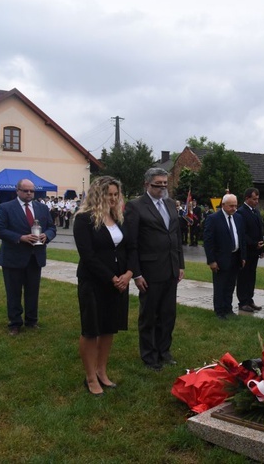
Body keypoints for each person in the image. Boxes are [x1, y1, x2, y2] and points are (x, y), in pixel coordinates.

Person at [73, 177, 132, 396]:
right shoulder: (84, 219)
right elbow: (87, 255)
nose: (114, 198)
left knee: (109, 327)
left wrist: (128, 274)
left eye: (116, 194)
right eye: (109, 194)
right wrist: (111, 277)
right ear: (99, 195)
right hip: (93, 282)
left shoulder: (119, 218)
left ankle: (101, 371)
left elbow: (128, 249)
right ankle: (90, 377)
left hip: (118, 283)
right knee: (91, 329)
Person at [124, 168, 185, 371]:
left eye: (164, 184)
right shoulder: (135, 206)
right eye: (157, 184)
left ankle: (163, 351)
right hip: (149, 271)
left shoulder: (170, 204)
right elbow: (131, 243)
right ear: (146, 184)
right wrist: (136, 273)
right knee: (149, 315)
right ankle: (149, 356)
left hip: (170, 268)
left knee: (168, 314)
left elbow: (176, 236)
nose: (161, 188)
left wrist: (180, 264)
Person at [0, 179, 57, 336]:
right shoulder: (6, 208)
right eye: (26, 191)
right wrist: (20, 237)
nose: (29, 193)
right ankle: (14, 323)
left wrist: (46, 236)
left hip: (35, 257)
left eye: (32, 191)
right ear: (17, 191)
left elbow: (52, 227)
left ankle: (31, 321)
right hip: (13, 257)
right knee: (13, 292)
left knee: (32, 291)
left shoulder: (42, 208)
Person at [203, 193, 247, 319]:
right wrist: (211, 261)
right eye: (231, 206)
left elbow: (241, 238)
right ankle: (220, 311)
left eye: (235, 206)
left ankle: (228, 308)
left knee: (230, 285)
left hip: (235, 257)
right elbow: (208, 241)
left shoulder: (238, 218)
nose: (234, 208)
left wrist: (243, 256)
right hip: (220, 259)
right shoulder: (213, 219)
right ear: (223, 205)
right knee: (220, 286)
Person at [236, 188, 264, 312]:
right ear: (247, 198)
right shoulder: (241, 212)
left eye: (257, 199)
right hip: (246, 251)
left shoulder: (256, 212)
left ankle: (250, 299)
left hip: (255, 251)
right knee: (243, 276)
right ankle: (243, 301)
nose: (256, 201)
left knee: (251, 275)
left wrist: (261, 248)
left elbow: (260, 230)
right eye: (254, 199)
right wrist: (253, 244)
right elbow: (242, 233)